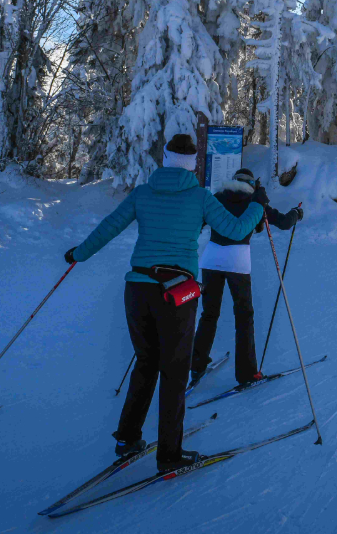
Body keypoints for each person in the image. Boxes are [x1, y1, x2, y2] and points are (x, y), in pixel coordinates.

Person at [65, 134, 266, 472]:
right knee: (173, 371)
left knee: (146, 362)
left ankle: (128, 438)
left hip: (138, 290)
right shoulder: (200, 197)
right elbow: (234, 230)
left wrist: (78, 254)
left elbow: (109, 227)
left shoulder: (143, 193)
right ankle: (169, 455)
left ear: (165, 158)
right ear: (193, 163)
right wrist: (258, 203)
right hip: (176, 294)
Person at [191, 168, 302, 388]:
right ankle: (247, 373)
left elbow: (197, 221)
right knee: (244, 316)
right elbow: (283, 222)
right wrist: (296, 214)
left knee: (209, 313)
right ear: (252, 183)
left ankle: (197, 363)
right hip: (237, 261)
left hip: (211, 258)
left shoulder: (218, 197)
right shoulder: (255, 201)